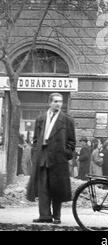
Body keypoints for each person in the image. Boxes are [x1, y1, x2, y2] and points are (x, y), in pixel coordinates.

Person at [26, 92, 75, 224]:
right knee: (43, 188)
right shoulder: (41, 119)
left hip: (59, 158)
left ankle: (57, 216)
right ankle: (44, 216)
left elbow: (71, 141)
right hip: (43, 156)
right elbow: (36, 139)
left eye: (60, 101)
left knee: (56, 187)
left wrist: (66, 154)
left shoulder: (67, 120)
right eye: (55, 101)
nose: (58, 104)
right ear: (50, 103)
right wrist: (36, 151)